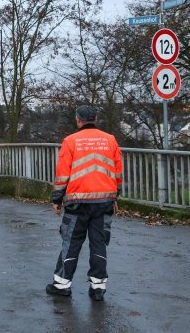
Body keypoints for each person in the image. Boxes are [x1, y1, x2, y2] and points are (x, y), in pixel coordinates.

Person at [46, 106, 123, 302]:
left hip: (77, 202)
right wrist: (115, 197)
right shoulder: (110, 140)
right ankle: (98, 288)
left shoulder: (70, 141)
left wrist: (57, 200)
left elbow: (62, 174)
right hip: (104, 200)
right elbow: (118, 172)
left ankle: (62, 285)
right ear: (95, 118)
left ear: (78, 120)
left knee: (71, 242)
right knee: (99, 243)